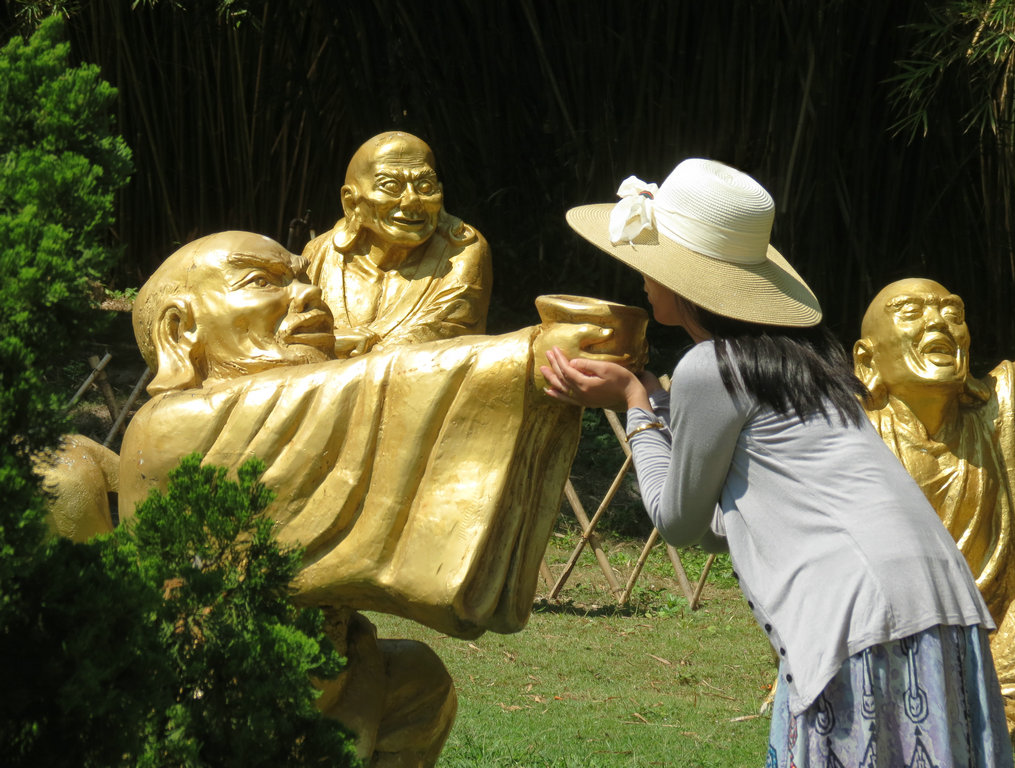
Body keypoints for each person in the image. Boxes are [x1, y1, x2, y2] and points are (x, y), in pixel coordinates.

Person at [541, 160, 1012, 766]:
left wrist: (635, 402)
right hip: (942, 608)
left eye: (650, 262)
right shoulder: (811, 366)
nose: (640, 276)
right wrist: (656, 396)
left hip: (857, 617)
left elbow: (679, 521)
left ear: (684, 283)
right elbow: (739, 519)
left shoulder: (711, 368)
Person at [120, 230, 639, 766]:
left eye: (303, 276)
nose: (307, 295)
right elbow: (377, 385)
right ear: (181, 330)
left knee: (418, 683)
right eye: (261, 282)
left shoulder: (318, 397)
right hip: (218, 685)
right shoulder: (169, 428)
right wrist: (527, 357)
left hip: (336, 669)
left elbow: (365, 385)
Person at [855, 278, 1015, 736]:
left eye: (953, 312)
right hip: (886, 632)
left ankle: (994, 696)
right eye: (911, 312)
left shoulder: (1005, 411)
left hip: (994, 634)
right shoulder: (850, 438)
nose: (939, 324)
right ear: (866, 360)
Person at [302, 131, 492, 358]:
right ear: (351, 202)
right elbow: (286, 340)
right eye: (391, 186)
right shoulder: (319, 253)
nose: (412, 202)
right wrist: (328, 342)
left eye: (425, 187)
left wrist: (329, 344)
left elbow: (436, 343)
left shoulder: (461, 251)